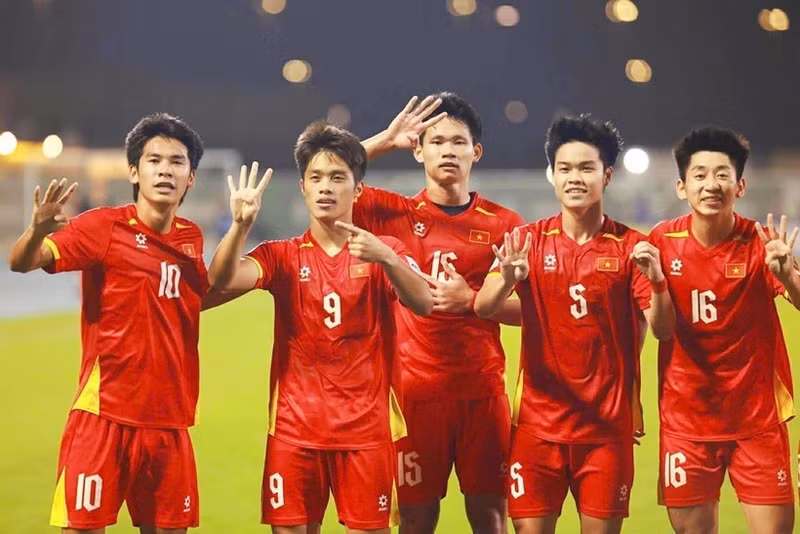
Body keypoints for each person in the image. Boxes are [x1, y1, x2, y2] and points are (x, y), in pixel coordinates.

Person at [207, 121, 433, 534]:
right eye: (316, 178)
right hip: (295, 435)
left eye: (337, 177)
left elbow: (424, 302)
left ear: (358, 189)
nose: (326, 187)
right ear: (303, 188)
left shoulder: (384, 252)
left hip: (366, 435)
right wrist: (240, 225)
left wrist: (388, 258)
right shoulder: (282, 256)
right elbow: (221, 281)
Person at [8, 113, 207, 534]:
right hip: (104, 417)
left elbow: (193, 297)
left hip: (169, 422)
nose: (165, 170)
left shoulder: (191, 238)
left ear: (191, 177)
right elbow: (23, 262)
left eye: (177, 162)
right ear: (134, 170)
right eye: (154, 160)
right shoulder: (102, 227)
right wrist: (35, 230)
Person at [475, 114, 674, 534]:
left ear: (607, 175)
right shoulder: (527, 241)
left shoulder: (634, 247)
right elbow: (484, 306)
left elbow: (663, 329)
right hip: (536, 430)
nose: (575, 178)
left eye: (586, 168)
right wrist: (508, 277)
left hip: (605, 432)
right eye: (564, 169)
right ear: (552, 175)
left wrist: (657, 281)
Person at [358, 92, 525, 533]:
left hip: (483, 394)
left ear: (476, 151)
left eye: (458, 141)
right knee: (416, 519)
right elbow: (330, 176)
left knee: (490, 515)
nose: (448, 150)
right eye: (436, 141)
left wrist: (472, 302)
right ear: (418, 150)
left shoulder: (504, 224)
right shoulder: (391, 213)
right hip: (414, 396)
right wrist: (381, 141)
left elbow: (532, 311)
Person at [649, 126, 800, 534]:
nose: (711, 184)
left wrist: (787, 275)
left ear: (741, 184)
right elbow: (659, 330)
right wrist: (659, 283)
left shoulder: (761, 242)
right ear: (682, 187)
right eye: (699, 175)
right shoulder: (662, 241)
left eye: (721, 174)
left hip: (758, 421)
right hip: (687, 423)